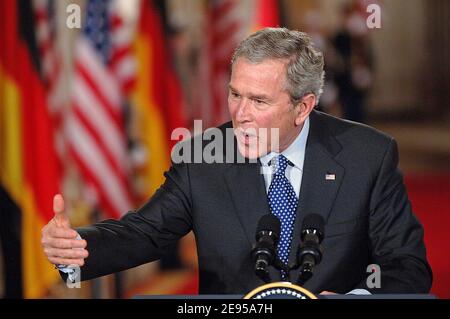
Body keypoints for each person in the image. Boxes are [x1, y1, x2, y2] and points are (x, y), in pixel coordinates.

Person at [41, 28, 432, 295]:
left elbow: (407, 267)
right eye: (235, 94)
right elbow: (145, 233)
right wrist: (77, 247)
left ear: (304, 107)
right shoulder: (201, 158)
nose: (239, 114)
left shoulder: (368, 156)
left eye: (259, 101)